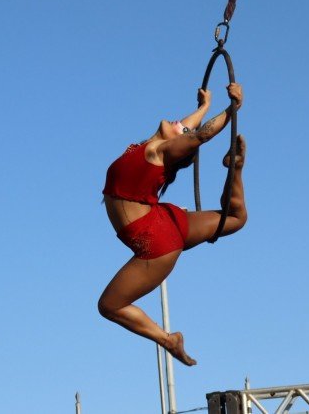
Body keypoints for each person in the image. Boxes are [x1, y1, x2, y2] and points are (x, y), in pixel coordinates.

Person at [98, 83, 247, 366]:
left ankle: (168, 340)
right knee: (236, 219)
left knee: (109, 305)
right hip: (166, 222)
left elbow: (198, 135)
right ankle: (235, 169)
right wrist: (204, 107)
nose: (181, 124)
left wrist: (232, 109)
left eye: (183, 131)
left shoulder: (159, 152)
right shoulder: (151, 146)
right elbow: (187, 128)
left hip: (154, 240)